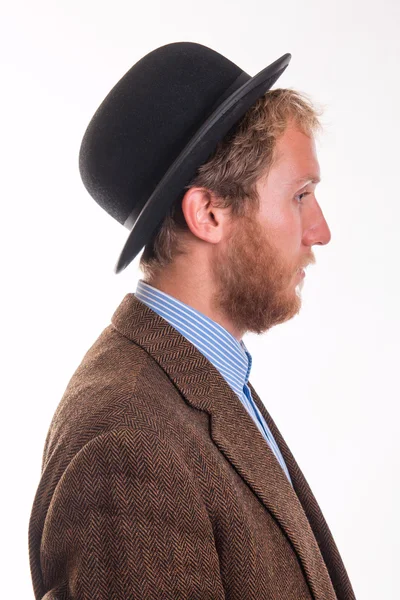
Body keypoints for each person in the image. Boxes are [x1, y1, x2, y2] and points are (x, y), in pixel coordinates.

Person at [28, 42, 357, 599]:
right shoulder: (128, 442)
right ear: (208, 213)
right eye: (300, 195)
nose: (320, 231)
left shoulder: (199, 382)